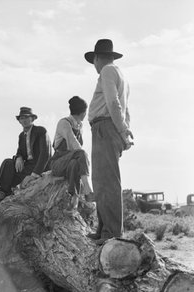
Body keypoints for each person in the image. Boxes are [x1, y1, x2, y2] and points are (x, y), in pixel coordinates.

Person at [84, 39, 134, 244]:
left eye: (93, 61)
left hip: (105, 127)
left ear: (97, 58)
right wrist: (125, 131)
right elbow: (125, 108)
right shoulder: (121, 75)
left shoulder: (106, 71)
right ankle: (104, 229)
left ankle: (112, 234)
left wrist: (122, 130)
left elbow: (113, 103)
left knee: (107, 182)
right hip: (107, 128)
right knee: (101, 181)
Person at [0, 107, 52, 208]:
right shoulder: (21, 136)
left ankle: (9, 195)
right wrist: (19, 157)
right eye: (21, 118)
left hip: (40, 168)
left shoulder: (40, 131)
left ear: (32, 119)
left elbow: (45, 155)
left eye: (26, 117)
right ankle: (2, 195)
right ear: (19, 121)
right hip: (27, 167)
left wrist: (33, 175)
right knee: (8, 162)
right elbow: (19, 152)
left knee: (15, 173)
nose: (24, 120)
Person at [50, 96, 94, 215]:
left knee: (75, 163)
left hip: (70, 163)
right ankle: (87, 188)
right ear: (83, 112)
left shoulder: (80, 126)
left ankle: (73, 203)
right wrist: (84, 157)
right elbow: (73, 144)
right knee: (80, 153)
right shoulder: (64, 123)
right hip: (58, 163)